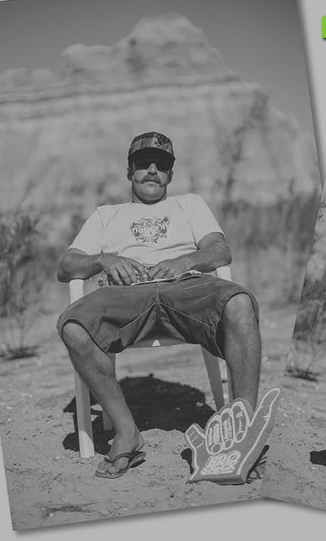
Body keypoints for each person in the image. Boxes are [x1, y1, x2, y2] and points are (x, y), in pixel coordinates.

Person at [56, 131, 264, 480]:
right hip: (125, 294)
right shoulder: (106, 214)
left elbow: (219, 251)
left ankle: (241, 432)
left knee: (240, 303)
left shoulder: (190, 204)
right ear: (129, 170)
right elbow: (66, 266)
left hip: (186, 286)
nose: (152, 170)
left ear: (171, 173)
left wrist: (185, 263)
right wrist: (105, 260)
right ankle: (127, 432)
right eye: (143, 163)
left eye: (162, 164)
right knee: (74, 326)